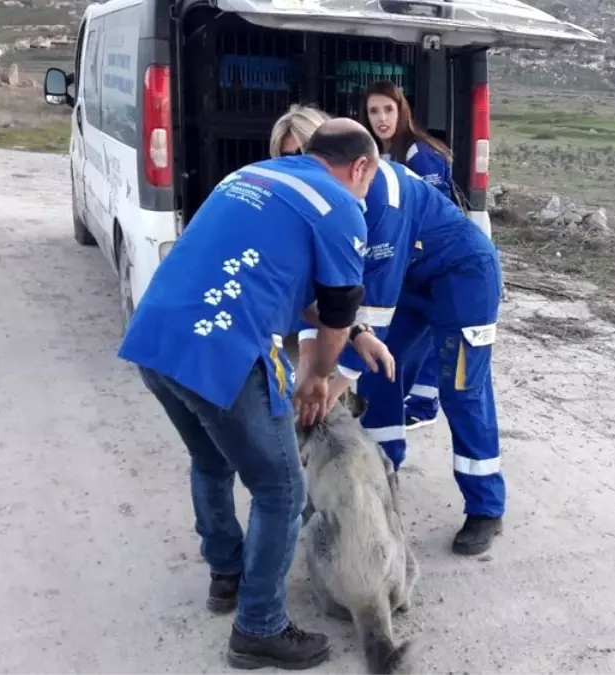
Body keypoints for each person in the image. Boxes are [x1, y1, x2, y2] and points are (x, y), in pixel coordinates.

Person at [117, 118, 391, 670]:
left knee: (211, 460)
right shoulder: (340, 206)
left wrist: (354, 332)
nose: (366, 192)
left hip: (156, 337)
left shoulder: (249, 177)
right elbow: (337, 304)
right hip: (222, 355)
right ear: (359, 167)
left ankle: (227, 575)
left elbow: (278, 283)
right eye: (369, 180)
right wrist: (318, 374)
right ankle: (259, 625)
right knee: (282, 490)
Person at [278, 107, 507, 556]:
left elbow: (368, 312)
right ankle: (383, 476)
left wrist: (323, 387)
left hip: (463, 279)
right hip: (412, 282)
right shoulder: (321, 196)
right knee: (382, 372)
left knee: (462, 388)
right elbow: (316, 296)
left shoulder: (383, 200)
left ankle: (485, 506)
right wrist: (311, 368)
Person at [361, 80, 457, 430]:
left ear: (403, 110)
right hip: (407, 258)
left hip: (428, 256)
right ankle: (413, 396)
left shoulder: (419, 154)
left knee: (426, 326)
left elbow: (436, 214)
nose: (381, 118)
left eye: (389, 109)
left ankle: (424, 401)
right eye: (374, 111)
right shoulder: (379, 153)